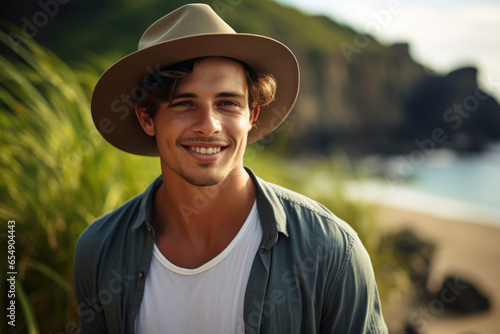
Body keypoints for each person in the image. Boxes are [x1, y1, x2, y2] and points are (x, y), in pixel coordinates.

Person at [74, 3, 388, 334]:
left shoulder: (331, 252)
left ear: (251, 116)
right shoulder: (99, 249)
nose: (208, 126)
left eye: (228, 103)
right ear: (147, 118)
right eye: (184, 103)